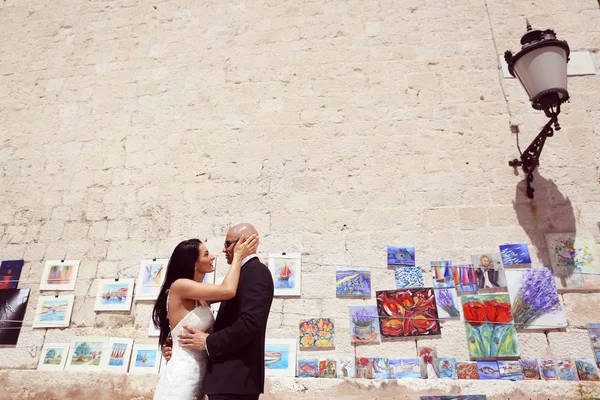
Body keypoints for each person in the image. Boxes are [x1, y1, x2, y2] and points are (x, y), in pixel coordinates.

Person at [161, 223, 275, 400]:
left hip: (234, 378)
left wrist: (209, 340)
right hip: (195, 374)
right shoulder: (183, 286)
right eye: (206, 254)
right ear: (193, 263)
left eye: (228, 243)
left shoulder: (256, 272)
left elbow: (250, 322)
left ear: (242, 243)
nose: (220, 252)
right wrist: (171, 345)